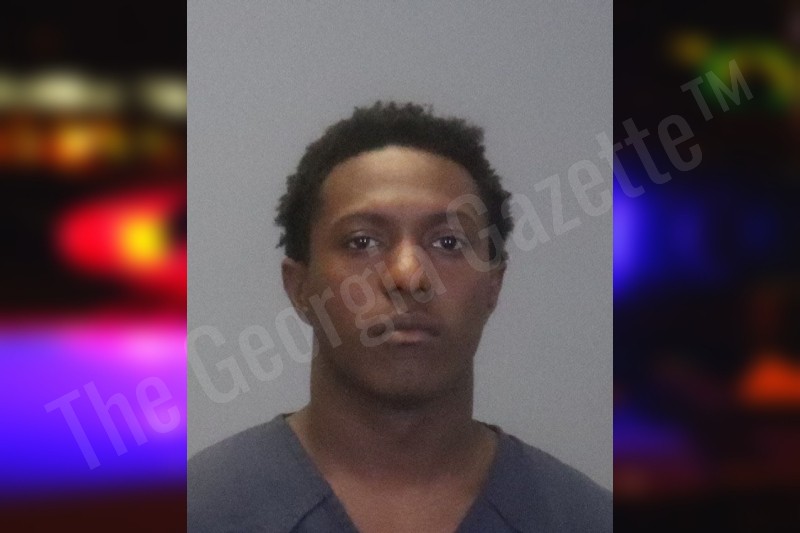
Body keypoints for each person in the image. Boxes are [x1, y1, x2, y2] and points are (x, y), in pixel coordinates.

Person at [188, 102, 612, 532]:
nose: (409, 276)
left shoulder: (585, 519)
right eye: (362, 242)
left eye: (448, 243)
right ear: (299, 288)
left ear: (493, 285)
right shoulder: (198, 511)